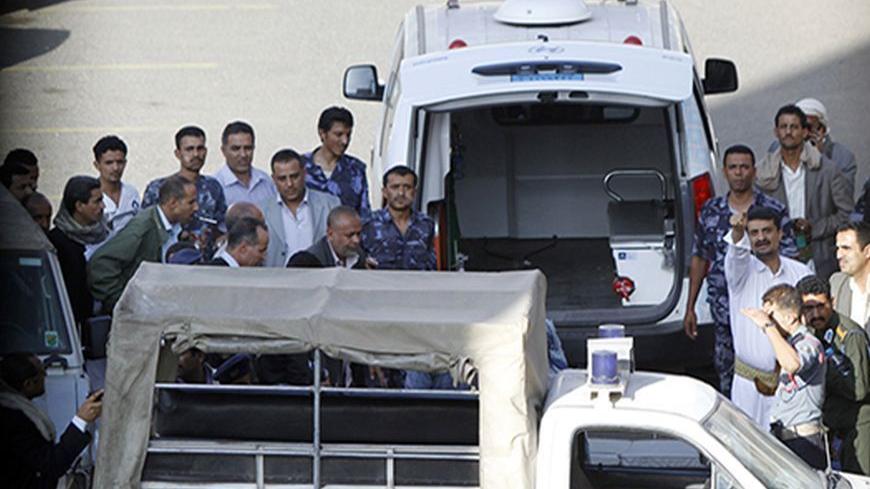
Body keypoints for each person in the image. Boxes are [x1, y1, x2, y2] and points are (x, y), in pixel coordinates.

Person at [684, 145, 796, 397]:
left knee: (770, 378)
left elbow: (789, 258)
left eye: (744, 167)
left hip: (766, 314)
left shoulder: (772, 210)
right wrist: (690, 306)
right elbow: (700, 257)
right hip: (725, 314)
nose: (739, 173)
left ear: (754, 171)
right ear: (725, 172)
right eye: (733, 167)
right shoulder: (711, 211)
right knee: (728, 378)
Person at [725, 206, 811, 427]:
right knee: (747, 453)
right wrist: (737, 232)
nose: (761, 238)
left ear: (780, 233)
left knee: (792, 453)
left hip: (793, 385)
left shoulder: (801, 273)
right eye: (754, 233)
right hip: (749, 387)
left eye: (767, 231)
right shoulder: (740, 273)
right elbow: (736, 253)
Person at [756, 104, 853, 280]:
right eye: (783, 127)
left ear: (804, 132)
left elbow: (846, 214)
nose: (788, 132)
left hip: (820, 258)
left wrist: (814, 228)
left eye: (794, 127)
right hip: (778, 260)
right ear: (776, 132)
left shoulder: (827, 170)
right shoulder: (764, 174)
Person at [742, 284, 827, 469]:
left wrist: (767, 325)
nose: (767, 321)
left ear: (790, 317)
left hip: (804, 442)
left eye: (772, 315)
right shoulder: (788, 344)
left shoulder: (810, 343)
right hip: (786, 437)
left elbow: (793, 364)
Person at [89, 175, 198, 312]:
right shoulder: (142, 229)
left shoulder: (176, 226)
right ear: (173, 203)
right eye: (191, 202)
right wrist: (125, 302)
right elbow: (100, 264)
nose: (196, 208)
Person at [797, 275, 870, 474]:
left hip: (858, 429)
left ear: (832, 302)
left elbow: (859, 390)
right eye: (808, 309)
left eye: (821, 306)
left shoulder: (850, 335)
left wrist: (823, 369)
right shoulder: (810, 333)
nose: (816, 314)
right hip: (831, 427)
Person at [0, 352, 103, 489]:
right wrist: (81, 419)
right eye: (42, 373)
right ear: (28, 384)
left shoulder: (17, 408)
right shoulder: (13, 420)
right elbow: (51, 464)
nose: (46, 376)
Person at [142, 125, 227, 257]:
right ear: (178, 153)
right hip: (167, 263)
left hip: (205, 264)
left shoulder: (213, 187)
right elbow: (146, 229)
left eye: (200, 148)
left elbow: (220, 227)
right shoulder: (157, 188)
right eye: (189, 149)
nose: (196, 154)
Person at [262, 149, 339, 267]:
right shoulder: (262, 210)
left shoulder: (330, 204)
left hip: (321, 278)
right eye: (282, 178)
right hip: (278, 279)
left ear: (304, 173)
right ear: (273, 179)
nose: (289, 184)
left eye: (294, 176)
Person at [48, 176, 107, 329]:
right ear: (79, 206)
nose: (103, 206)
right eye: (97, 201)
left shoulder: (105, 232)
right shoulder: (57, 242)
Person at [769, 98, 858, 192]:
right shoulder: (777, 148)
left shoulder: (844, 157)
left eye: (808, 127)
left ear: (822, 130)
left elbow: (843, 197)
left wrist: (820, 160)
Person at [362, 166, 436, 271]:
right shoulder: (369, 224)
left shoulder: (426, 224)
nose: (401, 193)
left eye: (407, 187)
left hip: (417, 285)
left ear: (414, 192)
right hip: (380, 285)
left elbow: (432, 264)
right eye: (395, 187)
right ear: (385, 192)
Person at [302, 106, 370, 218]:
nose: (345, 141)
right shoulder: (300, 167)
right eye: (338, 135)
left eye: (348, 135)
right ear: (322, 133)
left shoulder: (356, 170)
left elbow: (364, 214)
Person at [213, 121, 276, 207]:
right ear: (223, 151)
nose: (243, 154)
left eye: (248, 148)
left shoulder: (266, 182)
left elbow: (275, 218)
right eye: (236, 149)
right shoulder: (215, 186)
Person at [288, 205, 374, 269]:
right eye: (349, 235)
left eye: (358, 234)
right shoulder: (307, 262)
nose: (356, 240)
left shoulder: (359, 256)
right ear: (330, 234)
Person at [92, 135, 140, 234]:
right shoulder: (90, 195)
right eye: (109, 163)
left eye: (120, 162)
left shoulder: (132, 192)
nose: (115, 168)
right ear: (97, 165)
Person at [831, 221, 870, 328]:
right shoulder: (836, 283)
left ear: (867, 251)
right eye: (838, 248)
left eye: (846, 248)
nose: (839, 255)